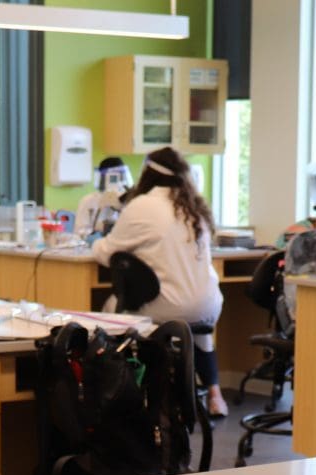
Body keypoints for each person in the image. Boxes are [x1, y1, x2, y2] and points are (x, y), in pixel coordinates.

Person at [92, 147, 228, 418]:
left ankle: (119, 391)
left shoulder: (143, 205)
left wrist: (95, 242)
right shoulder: (193, 207)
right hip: (207, 306)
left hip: (167, 309)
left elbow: (106, 252)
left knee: (107, 309)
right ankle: (215, 394)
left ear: (147, 175)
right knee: (198, 330)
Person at [75, 157, 131, 238]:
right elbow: (79, 232)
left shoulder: (129, 200)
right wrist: (97, 228)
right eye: (111, 177)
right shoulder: (89, 200)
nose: (115, 181)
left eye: (118, 176)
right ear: (102, 177)